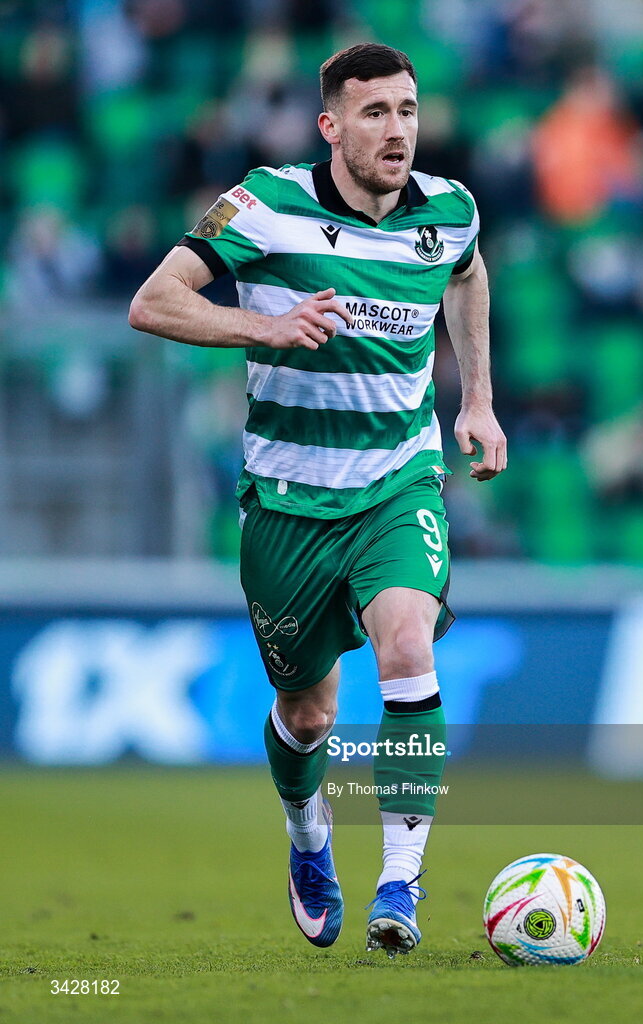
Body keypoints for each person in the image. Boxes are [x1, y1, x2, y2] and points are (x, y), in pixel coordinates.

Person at [129, 42, 507, 958]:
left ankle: (402, 883)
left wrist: (480, 402)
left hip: (397, 482)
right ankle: (309, 841)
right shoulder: (265, 204)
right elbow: (153, 302)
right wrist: (266, 325)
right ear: (331, 126)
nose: (398, 131)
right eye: (375, 113)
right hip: (289, 500)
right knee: (309, 715)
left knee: (410, 643)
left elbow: (466, 273)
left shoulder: (449, 212)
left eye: (409, 111)